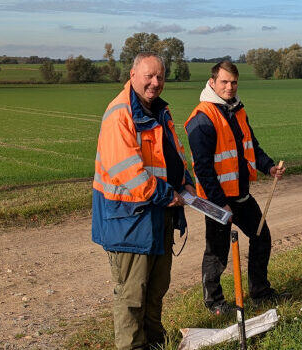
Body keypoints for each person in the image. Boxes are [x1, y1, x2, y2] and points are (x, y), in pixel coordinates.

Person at [92, 52, 195, 349]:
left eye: (160, 76)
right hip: (129, 219)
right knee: (132, 293)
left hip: (158, 213)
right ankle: (132, 345)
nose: (155, 82)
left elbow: (173, 155)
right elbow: (129, 173)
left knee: (156, 288)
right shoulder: (120, 114)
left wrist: (186, 182)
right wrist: (169, 195)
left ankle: (153, 341)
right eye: (149, 76)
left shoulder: (160, 111)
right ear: (133, 74)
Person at [185, 61, 290, 316]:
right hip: (216, 200)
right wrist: (220, 202)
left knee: (261, 237)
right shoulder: (202, 118)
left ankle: (260, 291)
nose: (229, 87)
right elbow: (203, 169)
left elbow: (250, 144)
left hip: (241, 195)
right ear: (212, 82)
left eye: (233, 82)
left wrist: (268, 167)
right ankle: (214, 302)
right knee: (217, 251)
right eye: (224, 82)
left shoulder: (237, 110)